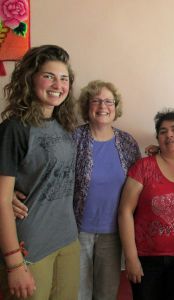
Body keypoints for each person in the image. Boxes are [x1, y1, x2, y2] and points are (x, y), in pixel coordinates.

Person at [11, 80, 142, 300]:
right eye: (96, 101)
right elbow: (42, 167)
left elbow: (141, 179)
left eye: (109, 101)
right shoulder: (71, 137)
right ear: (86, 106)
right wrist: (11, 190)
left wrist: (159, 153)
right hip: (74, 232)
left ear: (115, 107)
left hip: (114, 235)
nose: (103, 106)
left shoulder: (128, 143)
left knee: (107, 294)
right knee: (77, 294)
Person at [0, 45, 80, 299]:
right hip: (30, 246)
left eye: (64, 78)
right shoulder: (15, 128)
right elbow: (2, 200)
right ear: (30, 78)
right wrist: (14, 263)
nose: (58, 84)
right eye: (49, 76)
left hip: (68, 240)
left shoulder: (64, 125)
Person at [118, 109, 174, 300]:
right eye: (163, 131)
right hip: (145, 259)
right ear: (157, 138)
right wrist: (130, 258)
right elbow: (125, 211)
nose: (169, 134)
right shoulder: (144, 167)